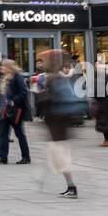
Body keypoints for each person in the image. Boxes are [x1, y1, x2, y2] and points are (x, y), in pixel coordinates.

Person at [34, 50, 78, 198]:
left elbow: (52, 99)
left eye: (44, 60)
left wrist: (40, 94)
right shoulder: (57, 78)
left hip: (58, 123)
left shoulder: (54, 79)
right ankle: (70, 186)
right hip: (58, 123)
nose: (42, 63)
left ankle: (72, 188)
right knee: (58, 155)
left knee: (61, 156)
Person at [0, 59, 32, 164]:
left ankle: (26, 157)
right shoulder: (4, 78)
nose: (1, 68)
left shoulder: (17, 77)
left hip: (15, 110)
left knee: (19, 134)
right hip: (6, 109)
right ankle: (3, 157)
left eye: (3, 66)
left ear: (9, 67)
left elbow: (23, 92)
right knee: (3, 134)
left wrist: (13, 101)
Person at [92, 61, 108, 147]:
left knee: (103, 121)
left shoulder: (98, 78)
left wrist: (95, 98)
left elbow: (97, 92)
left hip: (103, 103)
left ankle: (107, 141)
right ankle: (107, 140)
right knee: (106, 121)